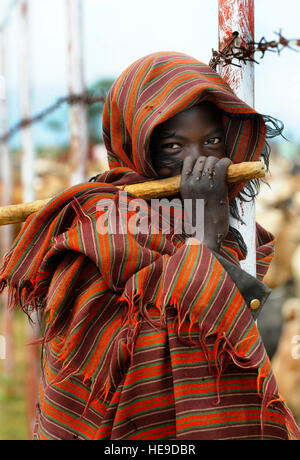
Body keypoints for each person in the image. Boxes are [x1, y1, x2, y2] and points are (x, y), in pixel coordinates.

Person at [1, 51, 300, 440]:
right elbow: (134, 354)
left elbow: (224, 335)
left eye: (211, 141)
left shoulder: (219, 219)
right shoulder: (101, 228)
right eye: (174, 147)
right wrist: (204, 242)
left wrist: (208, 232)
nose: (198, 163)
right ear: (136, 143)